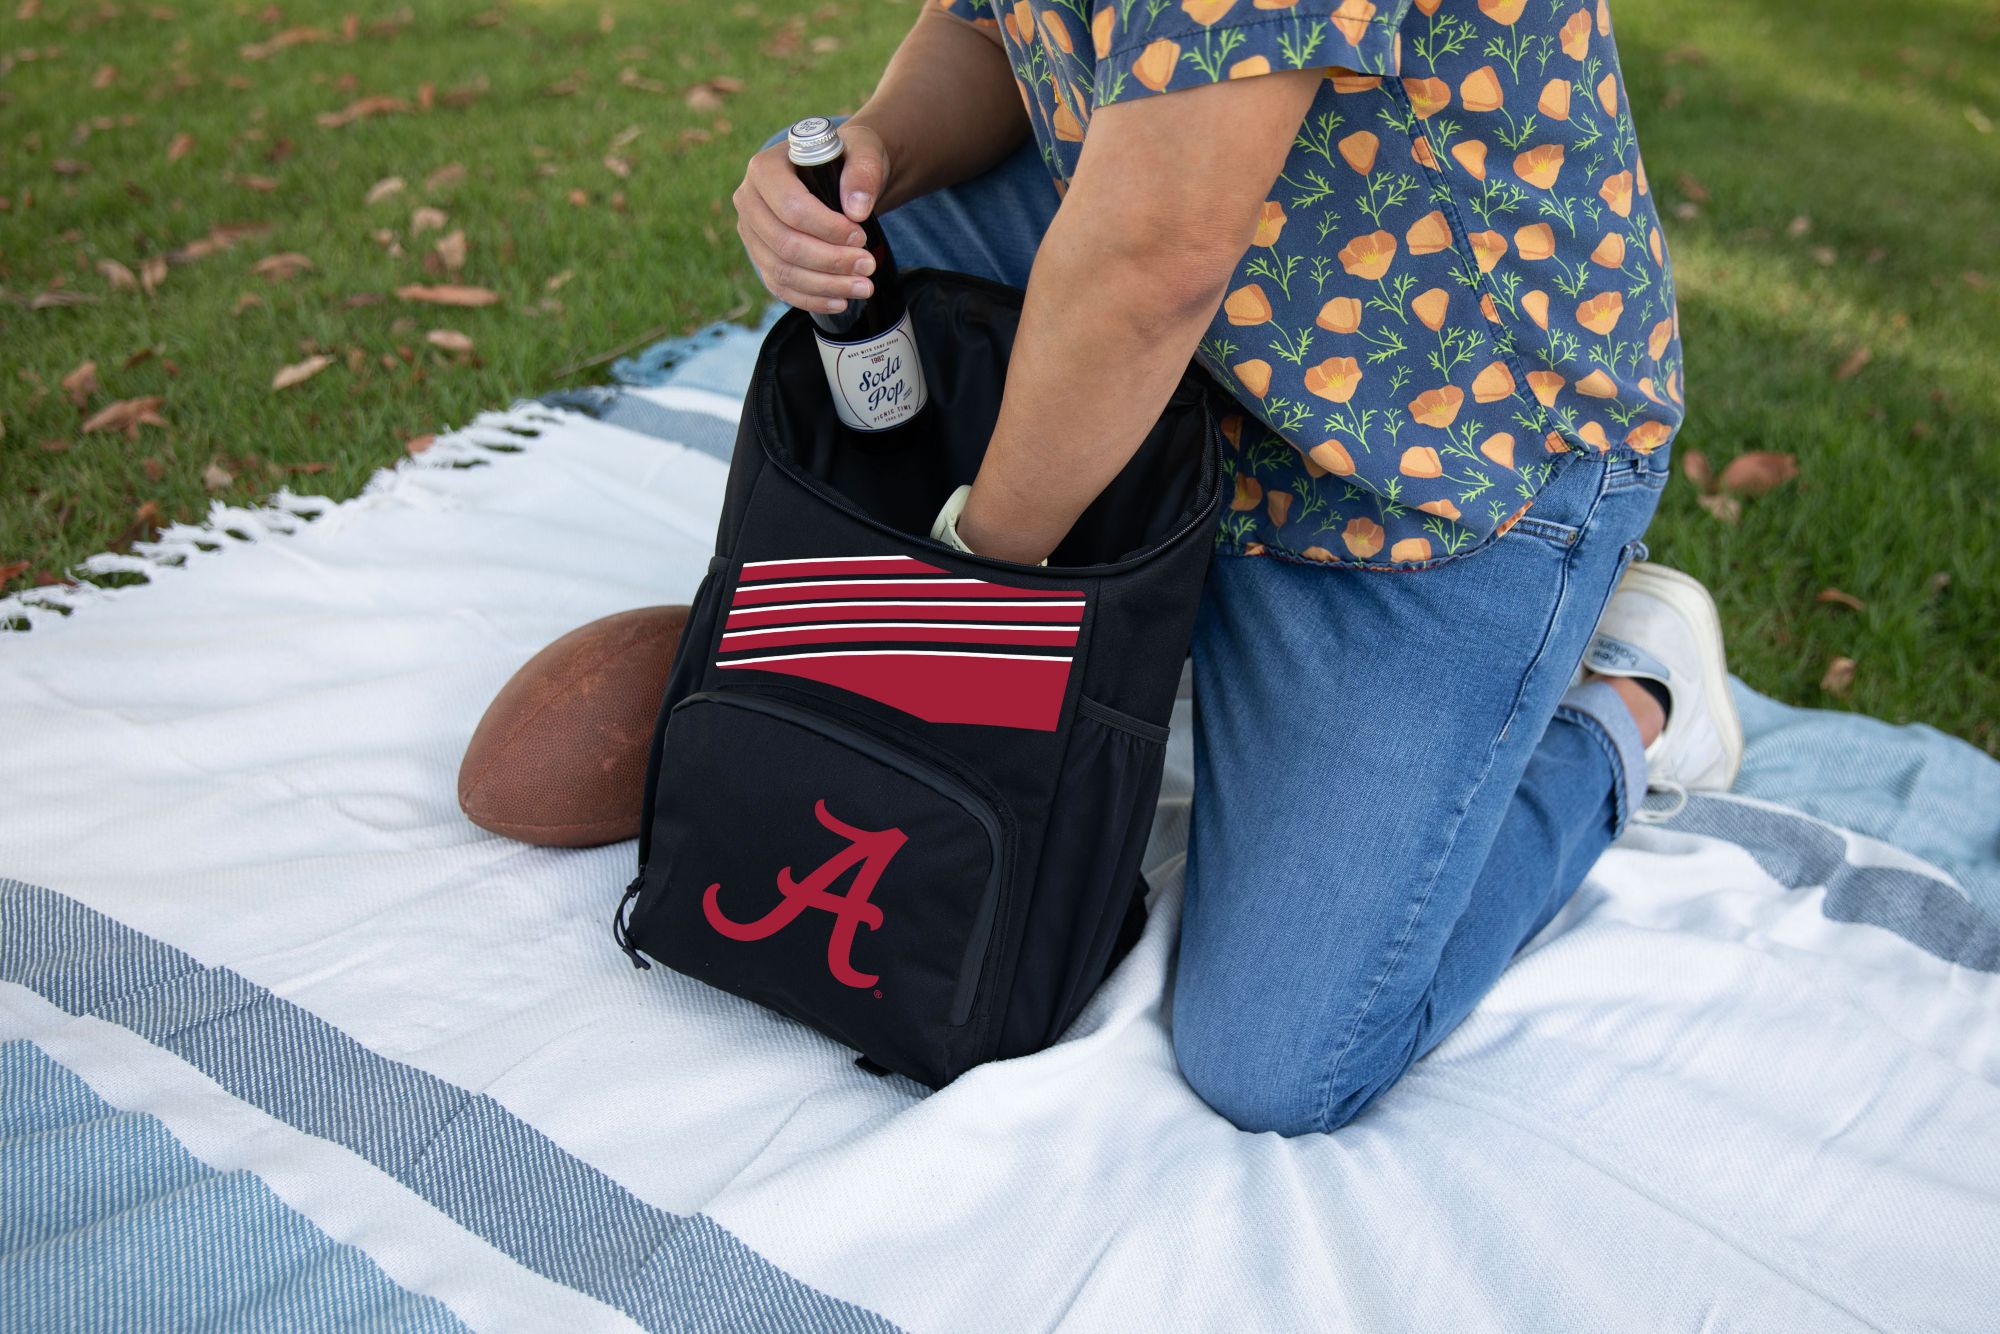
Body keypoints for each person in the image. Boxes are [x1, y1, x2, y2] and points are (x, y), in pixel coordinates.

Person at [731, 0, 1744, 1135]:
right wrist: (873, 153)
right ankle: (1124, 602)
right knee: (887, 243)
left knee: (1279, 1060)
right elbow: (981, 32)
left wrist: (976, 595)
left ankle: (1625, 696)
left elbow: (1148, 265)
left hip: (1445, 462)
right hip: (1211, 365)